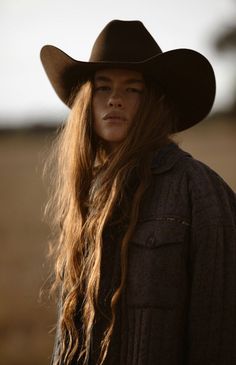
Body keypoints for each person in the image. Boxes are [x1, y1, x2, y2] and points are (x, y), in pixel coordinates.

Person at [40, 20, 236, 365]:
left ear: (153, 103)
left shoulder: (200, 190)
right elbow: (68, 337)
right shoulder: (87, 197)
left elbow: (217, 334)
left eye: (132, 89)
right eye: (103, 88)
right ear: (88, 101)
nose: (115, 99)